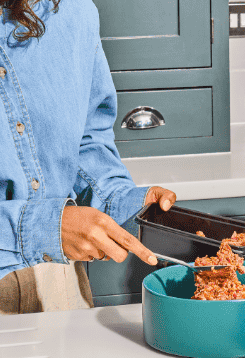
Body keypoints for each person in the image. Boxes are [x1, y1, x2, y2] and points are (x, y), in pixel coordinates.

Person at [0, 0, 177, 313]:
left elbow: (85, 142)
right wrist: (44, 228)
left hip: (58, 282)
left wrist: (124, 200)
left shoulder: (73, 12)